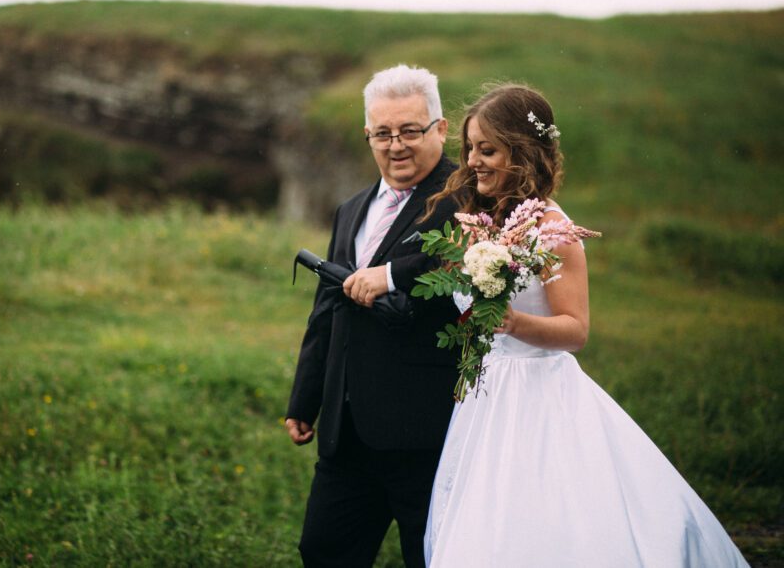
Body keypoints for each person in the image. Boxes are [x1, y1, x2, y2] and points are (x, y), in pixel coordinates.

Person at [421, 83, 749, 567]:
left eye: (487, 149)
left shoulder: (555, 231)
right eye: (469, 148)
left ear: (524, 152)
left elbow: (575, 330)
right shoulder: (483, 218)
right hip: (486, 397)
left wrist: (512, 322)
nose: (472, 161)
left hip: (538, 395)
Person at [284, 64, 463, 567]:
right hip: (347, 433)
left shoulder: (467, 200)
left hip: (425, 432)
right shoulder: (350, 209)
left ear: (441, 128)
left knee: (429, 558)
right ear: (368, 134)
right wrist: (306, 398)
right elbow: (327, 310)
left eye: (410, 130)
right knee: (323, 552)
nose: (396, 145)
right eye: (382, 133)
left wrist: (392, 276)